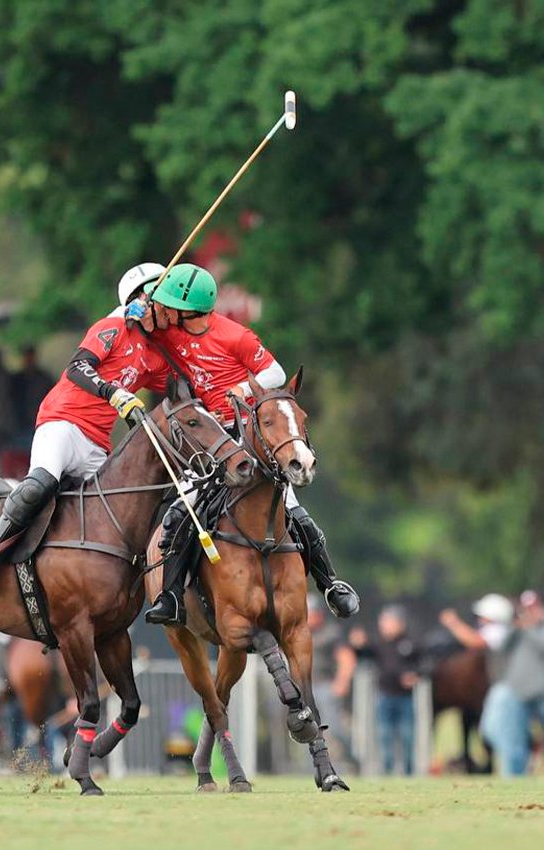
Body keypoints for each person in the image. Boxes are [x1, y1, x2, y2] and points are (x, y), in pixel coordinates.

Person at [126, 263, 360, 625]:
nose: (166, 310)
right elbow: (136, 324)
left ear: (190, 309)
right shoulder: (169, 331)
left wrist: (242, 388)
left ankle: (330, 584)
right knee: (181, 511)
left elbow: (275, 373)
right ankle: (171, 596)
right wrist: (134, 310)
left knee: (292, 508)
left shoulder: (235, 335)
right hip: (208, 439)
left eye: (171, 305)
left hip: (245, 434)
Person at [0, 263, 172, 590]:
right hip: (63, 423)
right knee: (40, 484)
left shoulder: (155, 356)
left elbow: (179, 383)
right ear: (140, 300)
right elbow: (77, 368)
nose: (167, 307)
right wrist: (113, 392)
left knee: (127, 507)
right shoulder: (112, 327)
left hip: (97, 444)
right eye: (160, 298)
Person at [479, 591, 544, 776]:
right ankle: (515, 776)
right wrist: (516, 628)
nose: (529, 613)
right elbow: (499, 648)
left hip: (540, 691)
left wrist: (530, 628)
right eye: (526, 609)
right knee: (506, 736)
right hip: (516, 691)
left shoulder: (535, 630)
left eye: (533, 608)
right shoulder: (514, 630)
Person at [352, 605, 420, 775]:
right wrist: (358, 645)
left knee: (407, 735)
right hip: (385, 696)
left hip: (405, 698)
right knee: (384, 735)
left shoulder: (410, 643)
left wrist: (414, 675)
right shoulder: (379, 644)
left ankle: (408, 770)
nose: (384, 626)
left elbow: (424, 664)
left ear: (400, 624)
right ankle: (387, 770)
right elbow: (363, 655)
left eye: (388, 622)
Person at [307, 594, 357, 760]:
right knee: (306, 732)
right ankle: (313, 767)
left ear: (319, 614)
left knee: (334, 728)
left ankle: (350, 758)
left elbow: (346, 658)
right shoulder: (298, 633)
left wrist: (342, 682)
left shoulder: (331, 632)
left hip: (325, 686)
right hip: (305, 689)